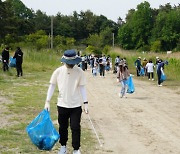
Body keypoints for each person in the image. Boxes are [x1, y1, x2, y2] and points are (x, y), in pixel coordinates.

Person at [44, 49, 88, 154]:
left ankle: (76, 149)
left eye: (72, 63)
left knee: (75, 127)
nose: (70, 65)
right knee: (63, 127)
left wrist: (85, 103)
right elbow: (52, 86)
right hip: (62, 104)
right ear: (64, 61)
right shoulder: (58, 71)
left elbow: (82, 88)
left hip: (76, 105)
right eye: (69, 63)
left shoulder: (79, 72)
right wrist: (47, 101)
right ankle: (63, 146)